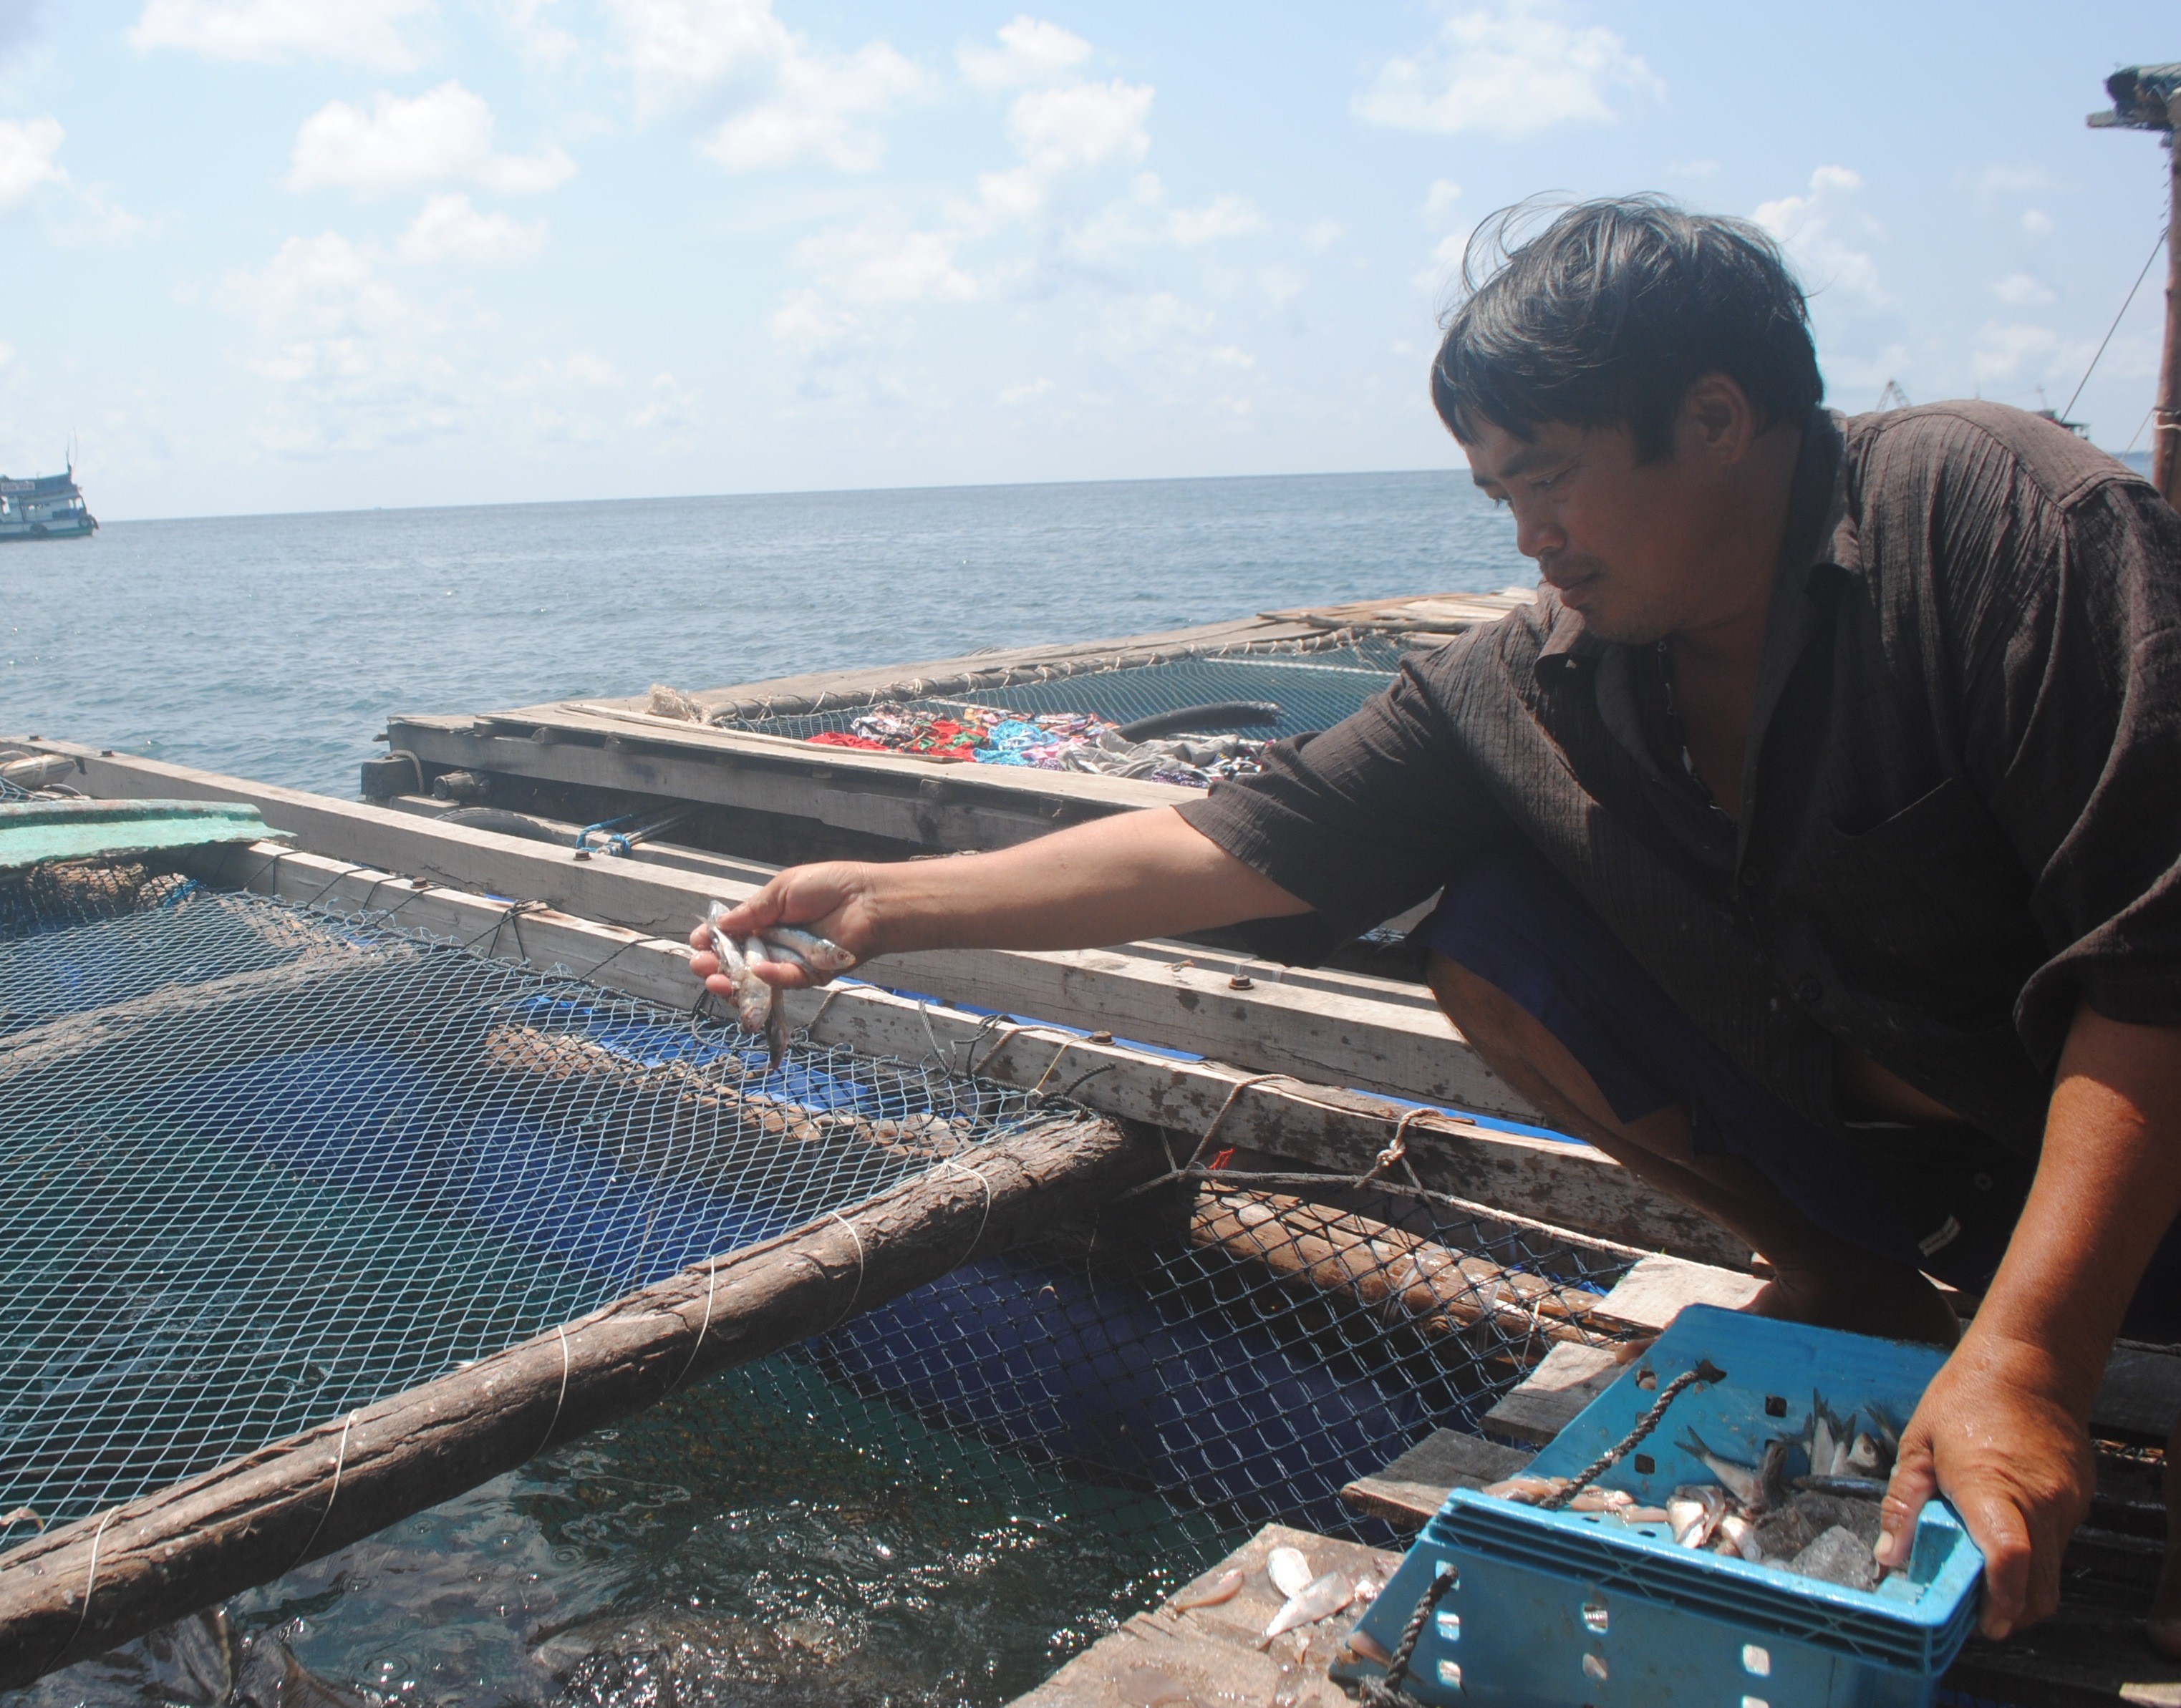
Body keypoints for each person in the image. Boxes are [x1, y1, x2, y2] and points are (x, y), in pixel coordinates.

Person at [691, 196, 2181, 1649]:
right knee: (1493, 926)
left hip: (2137, 1184)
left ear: (1718, 419)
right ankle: (1850, 1281)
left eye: (1549, 476)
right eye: (1496, 495)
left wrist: (2035, 1356)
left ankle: (1999, 1313)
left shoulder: (1998, 521)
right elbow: (1237, 838)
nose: (1527, 534)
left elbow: (2156, 943)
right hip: (1913, 1171)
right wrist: (880, 901)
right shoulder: (1535, 675)